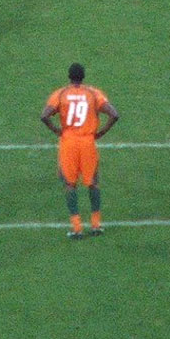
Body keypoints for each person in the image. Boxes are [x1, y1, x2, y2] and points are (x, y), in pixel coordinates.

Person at [41, 63, 119, 238]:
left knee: (69, 184)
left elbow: (44, 116)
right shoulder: (93, 93)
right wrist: (102, 132)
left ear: (69, 76)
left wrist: (57, 131)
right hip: (88, 142)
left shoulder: (60, 94)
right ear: (83, 77)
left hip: (68, 142)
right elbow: (114, 114)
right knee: (93, 182)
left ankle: (76, 228)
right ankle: (96, 225)